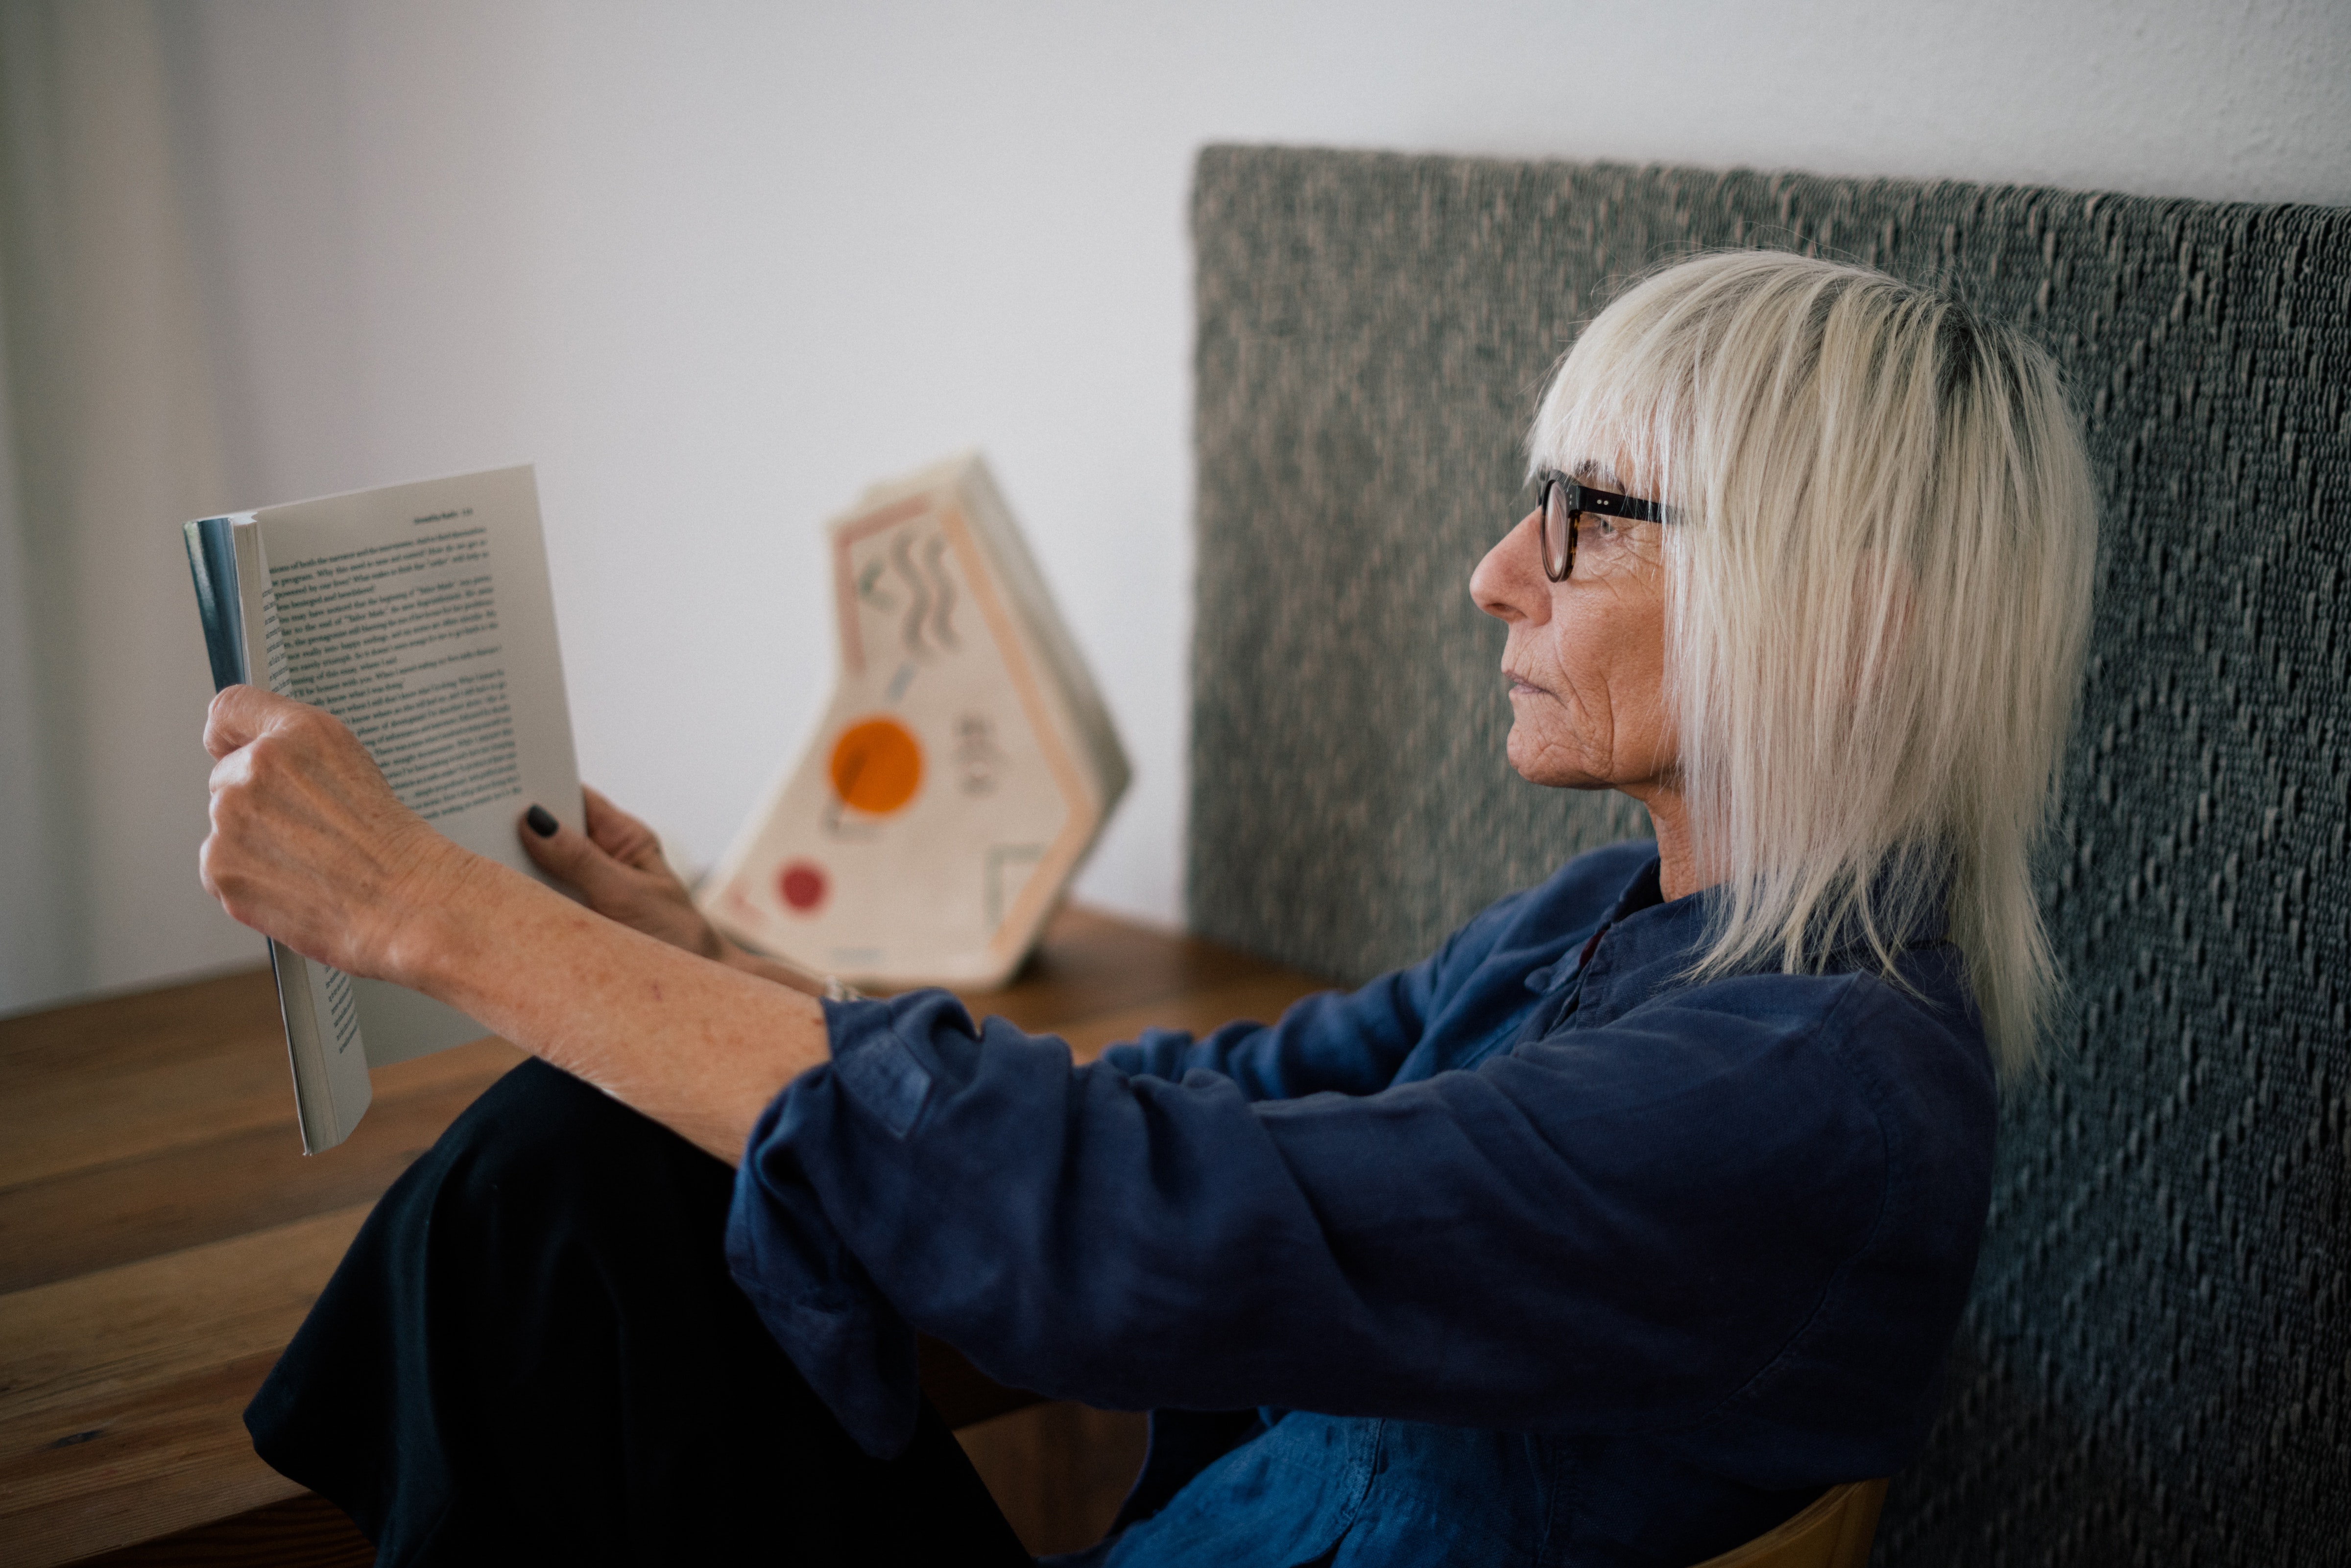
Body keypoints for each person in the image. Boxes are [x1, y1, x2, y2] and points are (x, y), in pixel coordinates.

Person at [199, 250, 2096, 1567]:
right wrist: (707, 962)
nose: (1497, 573)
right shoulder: (1605, 922)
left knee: (553, 1202)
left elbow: (1150, 1233)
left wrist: (437, 918)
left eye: (1591, 516)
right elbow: (1206, 1107)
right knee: (583, 1173)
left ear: (1853, 615)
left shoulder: (1802, 1097)